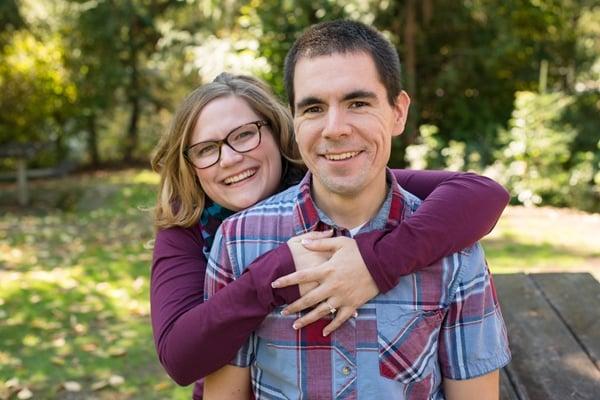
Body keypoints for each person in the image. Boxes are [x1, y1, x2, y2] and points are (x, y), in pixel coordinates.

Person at [203, 20, 510, 399]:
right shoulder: (239, 241)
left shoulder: (456, 253)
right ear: (295, 120)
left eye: (358, 103)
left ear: (398, 112)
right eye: (314, 108)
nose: (334, 128)